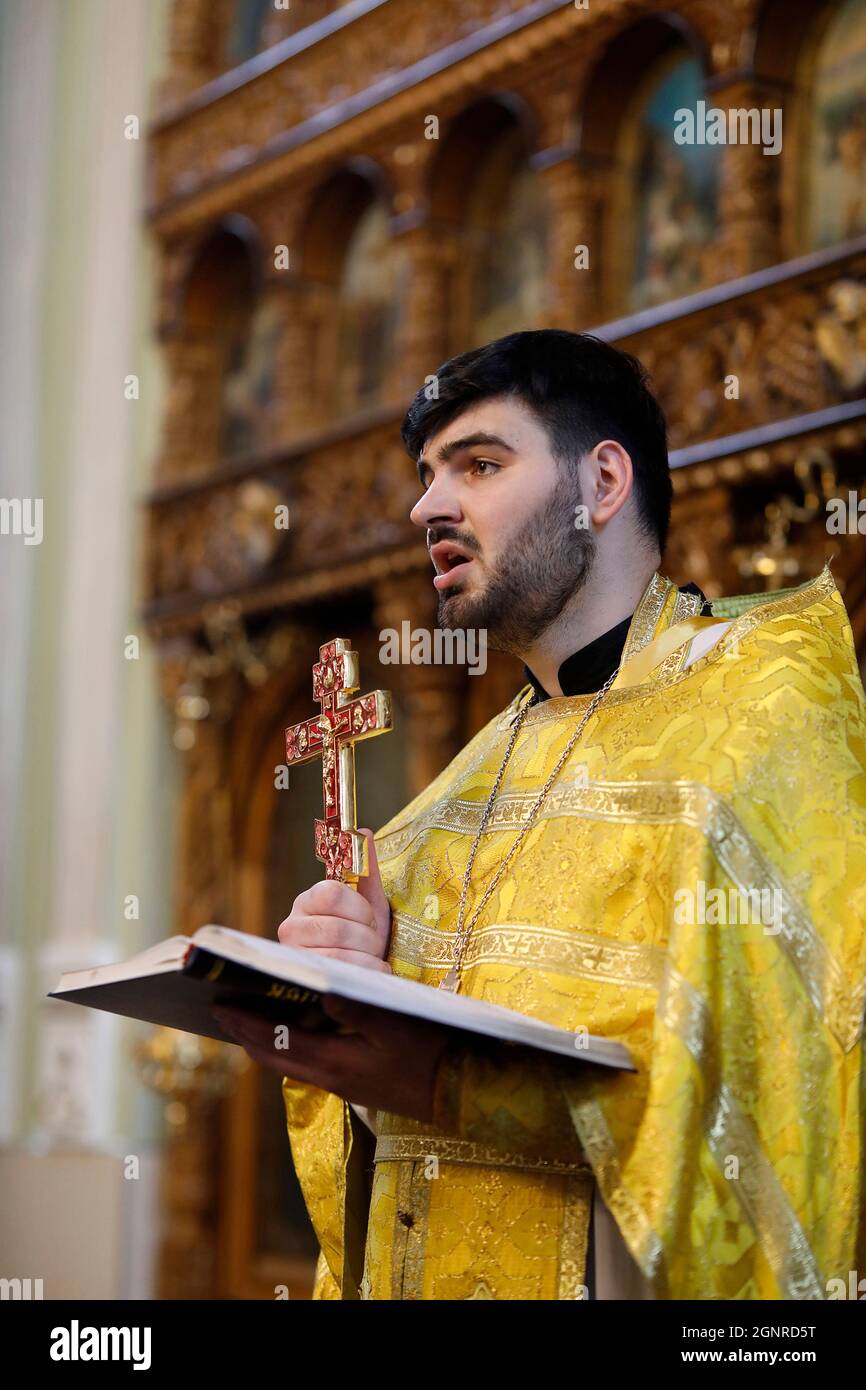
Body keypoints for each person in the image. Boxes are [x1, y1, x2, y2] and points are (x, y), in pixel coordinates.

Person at [215, 329, 866, 1300]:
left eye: (477, 463)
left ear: (601, 482)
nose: (426, 505)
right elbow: (377, 1131)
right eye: (427, 475)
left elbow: (787, 1085)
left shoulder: (759, 712)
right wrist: (336, 991)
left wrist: (443, 1077)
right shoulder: (439, 812)